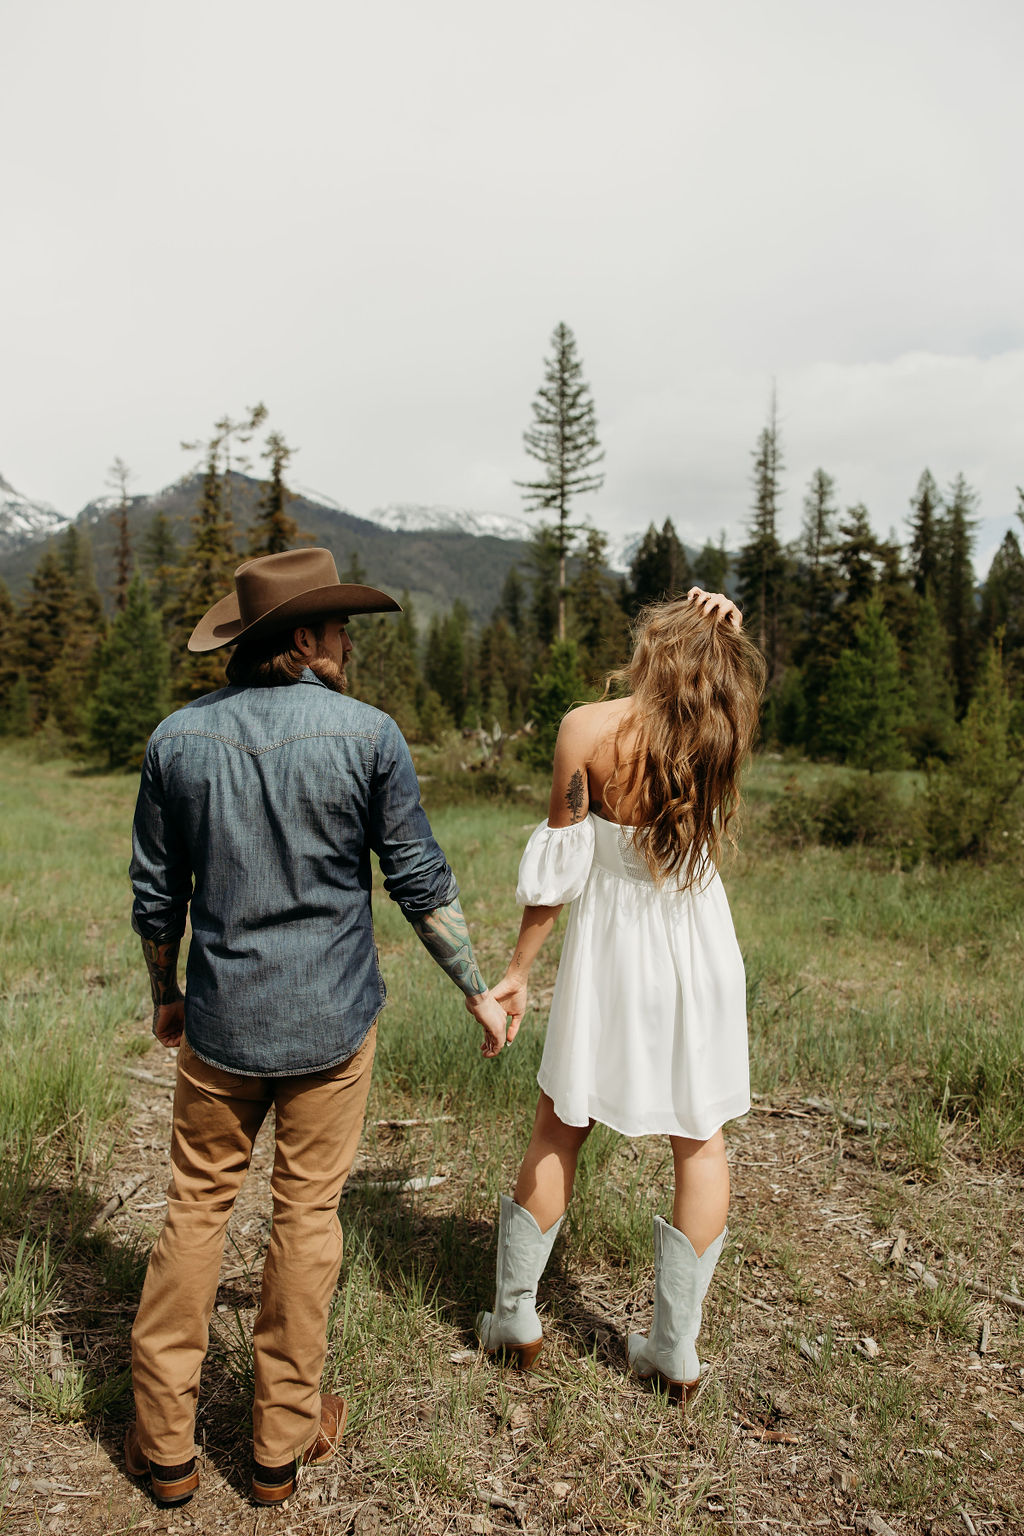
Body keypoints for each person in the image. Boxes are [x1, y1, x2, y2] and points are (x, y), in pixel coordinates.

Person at [125, 547, 507, 1509]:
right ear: (303, 641)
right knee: (306, 1218)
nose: (347, 642)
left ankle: (166, 1449)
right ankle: (278, 1448)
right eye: (339, 627)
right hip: (332, 1026)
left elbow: (155, 893)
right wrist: (475, 987)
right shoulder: (370, 737)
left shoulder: (177, 741)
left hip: (218, 1024)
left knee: (195, 1211)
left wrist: (166, 993)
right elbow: (419, 880)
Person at [477, 588, 764, 1395]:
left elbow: (559, 873)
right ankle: (674, 1351)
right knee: (700, 1140)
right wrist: (728, 634)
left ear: (649, 649)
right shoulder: (721, 730)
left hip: (612, 951)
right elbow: (736, 687)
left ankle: (515, 1316)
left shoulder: (587, 729)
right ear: (715, 660)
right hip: (699, 947)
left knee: (562, 1123)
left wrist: (521, 971)